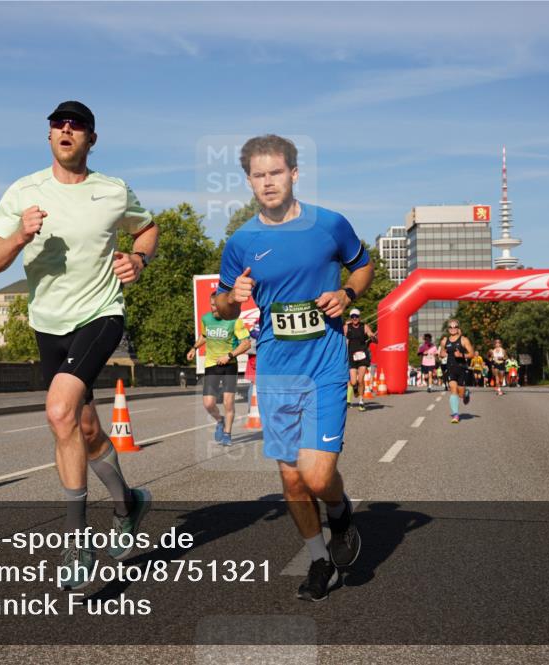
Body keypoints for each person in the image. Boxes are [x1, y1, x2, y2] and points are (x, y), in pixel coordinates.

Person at [0, 100, 157, 589]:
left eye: (76, 126)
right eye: (58, 124)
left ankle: (79, 547)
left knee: (59, 412)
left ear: (91, 139)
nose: (66, 130)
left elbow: (147, 228)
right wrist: (20, 235)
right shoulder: (24, 192)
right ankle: (129, 503)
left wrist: (139, 261)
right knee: (85, 425)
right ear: (49, 134)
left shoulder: (113, 190)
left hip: (100, 314)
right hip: (47, 323)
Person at [215, 134, 372, 602]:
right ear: (249, 181)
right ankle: (320, 561)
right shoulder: (242, 241)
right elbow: (221, 305)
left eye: (276, 173)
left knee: (318, 477)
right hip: (277, 369)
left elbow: (361, 267)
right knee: (290, 477)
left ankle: (340, 513)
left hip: (324, 363)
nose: (268, 182)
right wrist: (231, 299)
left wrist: (348, 294)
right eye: (258, 176)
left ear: (294, 174)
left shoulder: (330, 225)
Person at [187, 292, 252, 446]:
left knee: (228, 402)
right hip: (211, 364)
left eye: (216, 305)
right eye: (212, 304)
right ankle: (220, 420)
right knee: (208, 403)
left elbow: (246, 343)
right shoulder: (206, 319)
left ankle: (227, 434)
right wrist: (194, 348)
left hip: (229, 365)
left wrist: (229, 356)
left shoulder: (234, 321)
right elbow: (204, 335)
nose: (214, 308)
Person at [439, 320, 475, 423]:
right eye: (450, 327)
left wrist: (461, 355)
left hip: (462, 368)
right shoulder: (444, 341)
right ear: (448, 329)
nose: (453, 328)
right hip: (450, 368)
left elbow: (472, 354)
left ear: (458, 327)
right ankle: (456, 415)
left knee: (461, 394)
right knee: (453, 390)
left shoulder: (464, 340)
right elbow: (441, 352)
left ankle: (466, 393)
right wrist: (442, 354)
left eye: (455, 327)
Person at [344, 308, 375, 411]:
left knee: (360, 379)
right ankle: (355, 388)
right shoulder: (346, 327)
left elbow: (371, 334)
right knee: (353, 382)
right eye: (352, 317)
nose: (354, 318)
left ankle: (361, 401)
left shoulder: (364, 326)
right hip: (351, 356)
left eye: (356, 316)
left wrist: (372, 336)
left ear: (359, 317)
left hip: (362, 356)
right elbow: (344, 340)